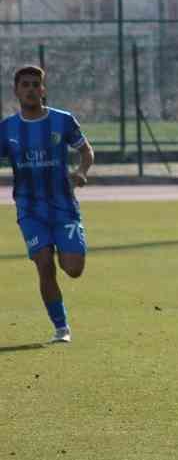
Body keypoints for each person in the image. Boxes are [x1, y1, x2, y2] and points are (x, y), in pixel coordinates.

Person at [2, 65, 93, 344]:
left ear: (44, 90)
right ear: (16, 91)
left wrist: (80, 172)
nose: (30, 89)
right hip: (30, 209)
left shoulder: (63, 120)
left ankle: (67, 250)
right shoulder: (7, 129)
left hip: (64, 206)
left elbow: (86, 151)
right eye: (25, 84)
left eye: (35, 84)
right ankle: (61, 328)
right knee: (44, 264)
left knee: (73, 269)